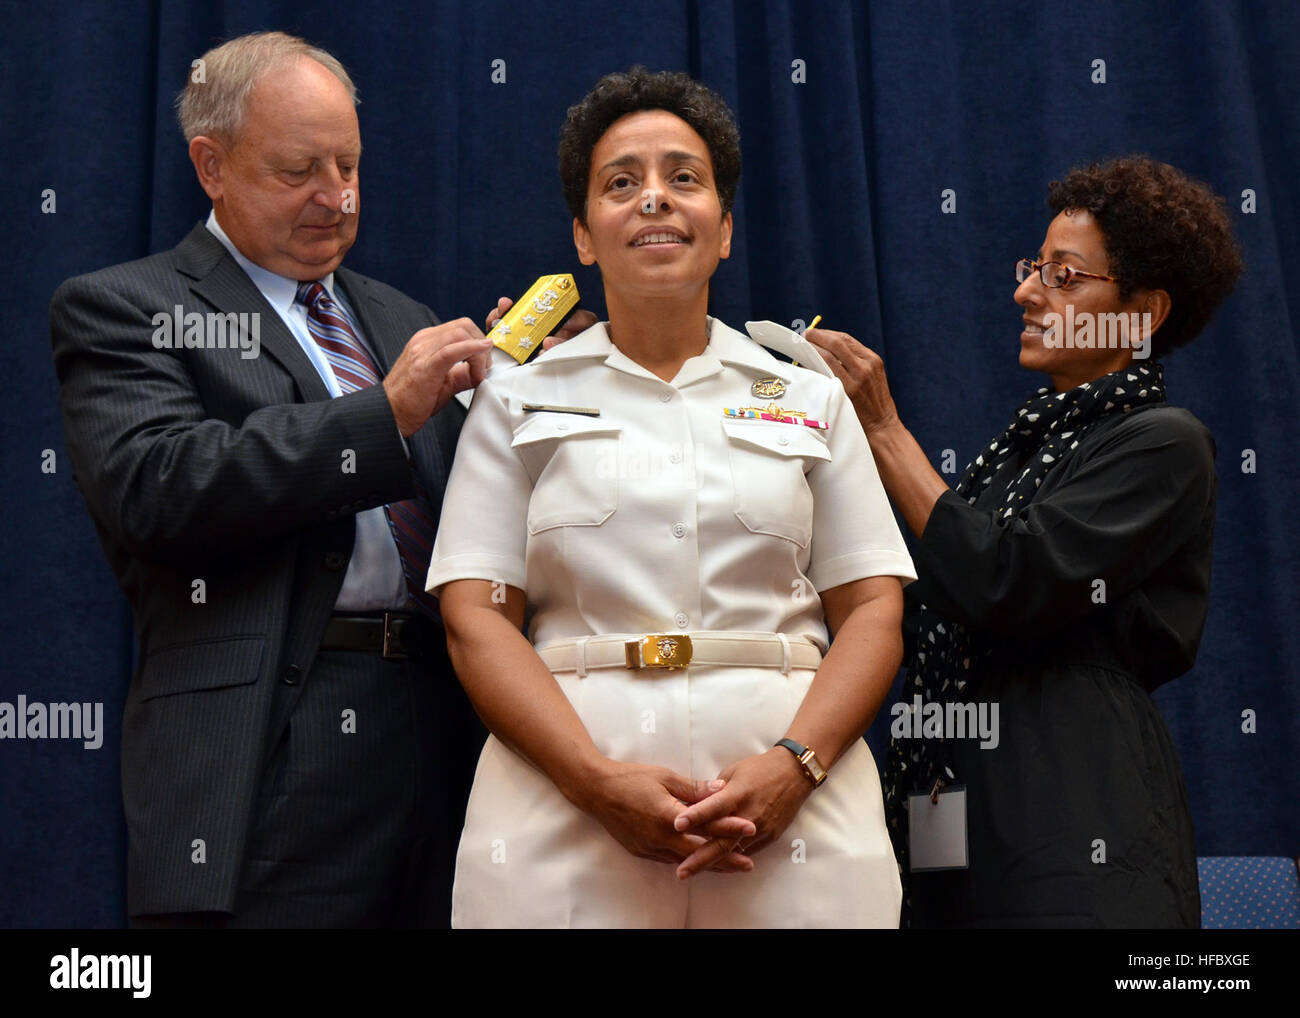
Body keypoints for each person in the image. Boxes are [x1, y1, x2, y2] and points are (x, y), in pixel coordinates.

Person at [47, 31, 593, 927]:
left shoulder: (396, 315)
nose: (335, 197)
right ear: (210, 165)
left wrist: (531, 401)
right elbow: (156, 486)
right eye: (300, 169)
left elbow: (479, 519)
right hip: (275, 742)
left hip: (445, 721)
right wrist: (389, 413)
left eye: (349, 164)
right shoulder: (132, 307)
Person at [426, 68, 916, 928]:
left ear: (725, 229)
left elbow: (874, 607)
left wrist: (795, 765)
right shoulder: (511, 401)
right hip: (562, 815)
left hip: (795, 817)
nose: (654, 200)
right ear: (584, 235)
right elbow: (476, 616)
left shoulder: (808, 395)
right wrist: (595, 782)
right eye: (622, 184)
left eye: (683, 179)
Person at [806, 155, 1244, 927]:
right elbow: (907, 603)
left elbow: (1007, 580)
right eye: (1033, 268)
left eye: (1064, 277)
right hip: (946, 801)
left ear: (1141, 313)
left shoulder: (1166, 444)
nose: (1026, 293)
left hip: (1074, 815)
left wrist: (882, 429)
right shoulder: (1019, 451)